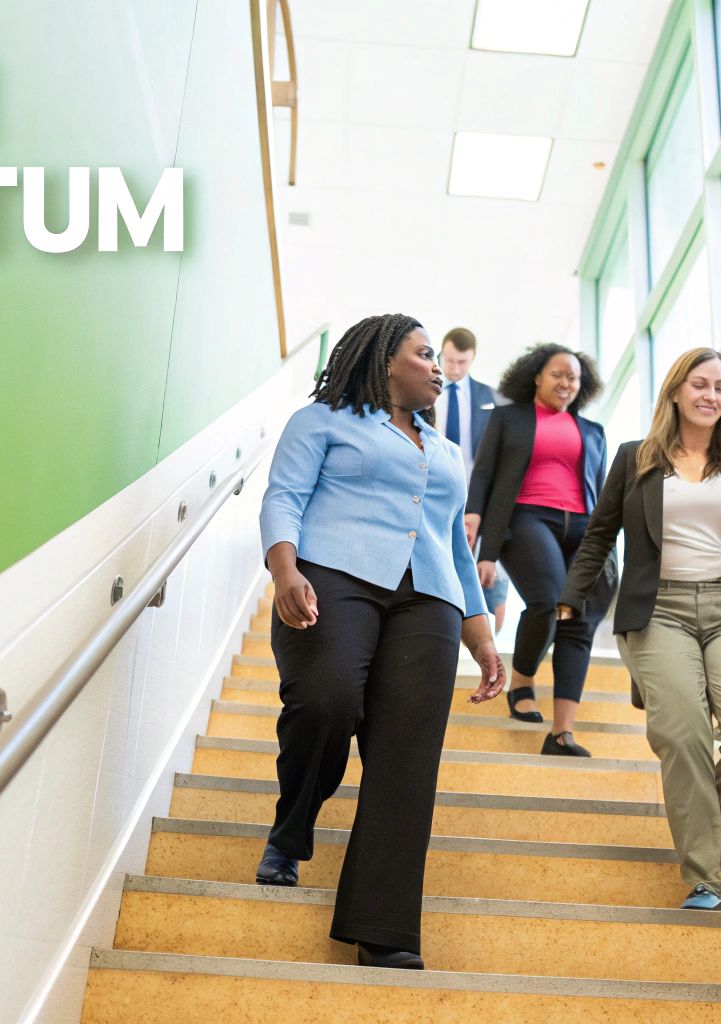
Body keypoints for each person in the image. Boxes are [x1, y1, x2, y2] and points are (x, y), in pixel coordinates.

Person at [256, 313, 505, 971]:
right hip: (333, 577)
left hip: (430, 600)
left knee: (406, 756)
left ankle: (384, 927)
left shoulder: (447, 452)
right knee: (328, 698)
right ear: (384, 361)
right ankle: (293, 824)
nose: (436, 368)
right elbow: (282, 498)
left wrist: (480, 637)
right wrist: (285, 571)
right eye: (423, 355)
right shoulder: (321, 422)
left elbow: (455, 541)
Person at [559, 347, 721, 910]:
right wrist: (572, 596)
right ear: (676, 391)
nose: (710, 396)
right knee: (683, 733)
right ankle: (706, 878)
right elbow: (599, 534)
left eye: (720, 387)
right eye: (699, 384)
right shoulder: (636, 458)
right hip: (659, 611)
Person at [466, 342, 607, 755]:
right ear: (536, 377)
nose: (566, 383)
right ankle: (523, 679)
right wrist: (482, 538)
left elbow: (601, 491)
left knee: (576, 618)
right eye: (557, 375)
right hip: (527, 518)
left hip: (583, 524)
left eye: (573, 377)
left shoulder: (593, 431)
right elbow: (486, 472)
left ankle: (562, 732)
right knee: (547, 600)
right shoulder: (510, 418)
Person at [434, 327, 510, 630]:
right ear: (442, 352)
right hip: (435, 488)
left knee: (481, 558)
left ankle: (491, 628)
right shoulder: (425, 389)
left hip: (475, 493)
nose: (455, 368)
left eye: (462, 363)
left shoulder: (488, 398)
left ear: (472, 359)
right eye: (450, 361)